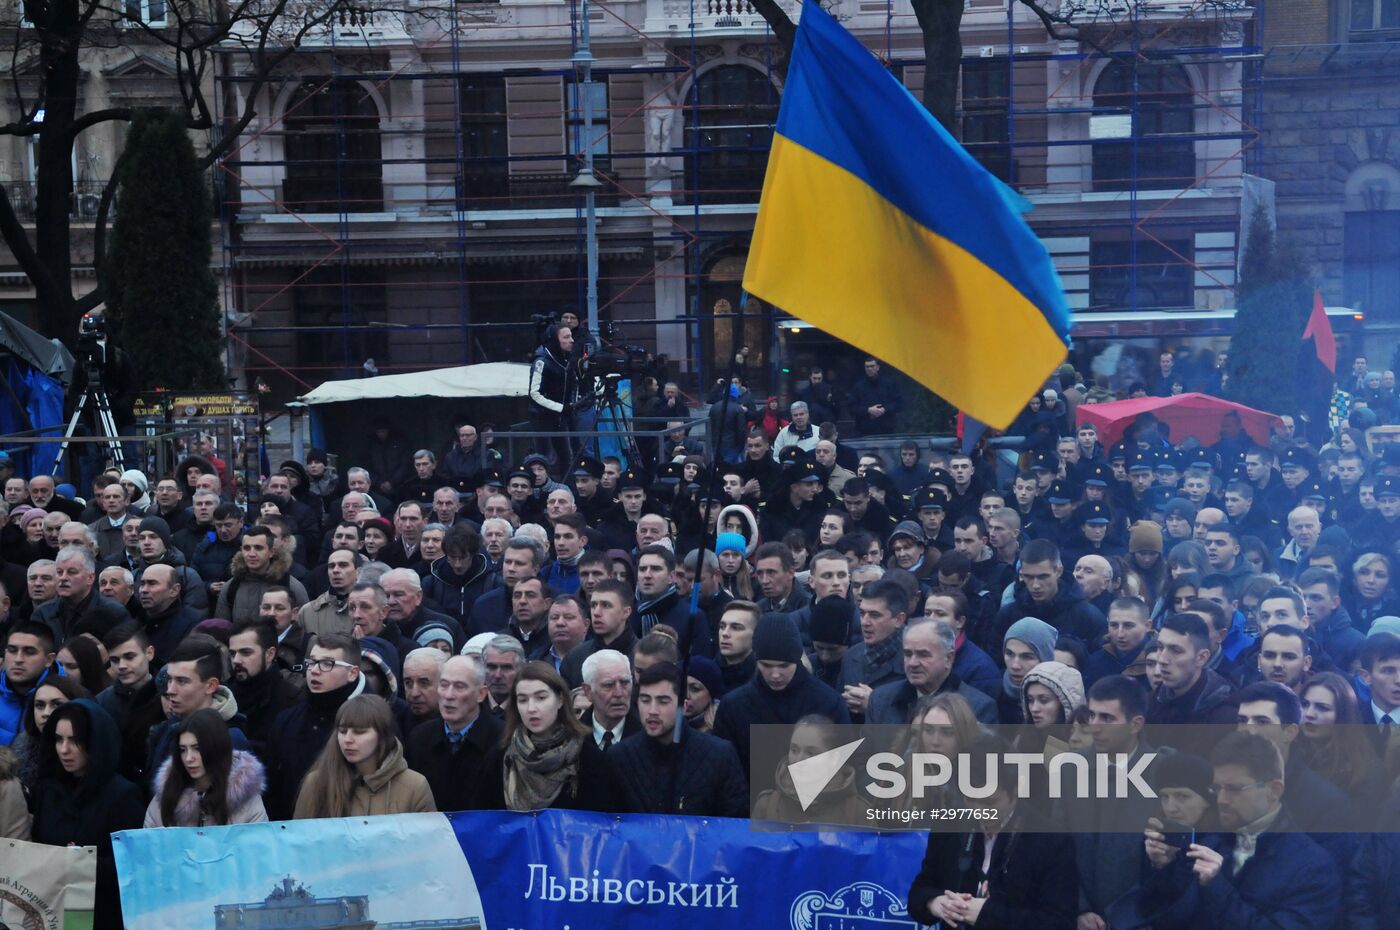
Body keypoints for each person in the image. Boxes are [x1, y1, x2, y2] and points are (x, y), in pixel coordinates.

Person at [1136, 731, 1338, 930]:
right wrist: (1164, 868)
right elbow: (1168, 918)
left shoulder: (1312, 867)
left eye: (1234, 789)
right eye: (1217, 789)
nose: (1221, 800)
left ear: (1274, 790)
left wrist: (1216, 887)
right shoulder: (1210, 842)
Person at [907, 753, 1078, 929]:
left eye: (990, 802)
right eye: (970, 799)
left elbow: (1060, 923)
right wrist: (936, 903)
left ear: (1017, 788)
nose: (979, 811)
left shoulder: (1051, 840)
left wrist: (989, 914)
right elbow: (919, 892)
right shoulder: (949, 824)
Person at [29, 700, 145, 930]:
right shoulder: (48, 790)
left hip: (101, 914)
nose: (64, 750)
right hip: (51, 911)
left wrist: (85, 862)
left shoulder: (122, 795)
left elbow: (132, 865)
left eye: (75, 741)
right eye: (58, 739)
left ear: (95, 743)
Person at [476, 661, 624, 812]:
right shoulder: (499, 759)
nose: (531, 708)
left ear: (560, 700)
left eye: (541, 698)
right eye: (523, 700)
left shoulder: (591, 760)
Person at [711, 614, 849, 776]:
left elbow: (844, 763)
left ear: (797, 659)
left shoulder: (829, 702)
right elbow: (724, 769)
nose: (775, 675)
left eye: (784, 666)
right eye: (766, 665)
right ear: (756, 660)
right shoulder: (733, 706)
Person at [609, 662, 748, 817]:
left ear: (684, 705)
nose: (652, 711)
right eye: (645, 700)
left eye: (663, 701)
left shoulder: (719, 756)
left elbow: (735, 820)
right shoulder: (620, 757)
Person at [267, 633, 367, 819]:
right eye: (312, 662)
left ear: (352, 673)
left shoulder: (370, 722)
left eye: (327, 664)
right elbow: (273, 788)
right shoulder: (286, 721)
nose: (314, 670)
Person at [295, 694, 436, 818]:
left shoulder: (415, 786)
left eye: (359, 732)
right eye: (342, 731)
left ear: (382, 735)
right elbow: (300, 837)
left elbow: (427, 839)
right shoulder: (316, 783)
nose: (347, 739)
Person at [406, 654, 502, 812]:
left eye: (459, 686)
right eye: (444, 685)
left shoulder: (501, 740)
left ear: (481, 694)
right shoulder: (419, 738)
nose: (449, 695)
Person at [144, 707, 268, 826]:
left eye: (197, 748)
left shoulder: (246, 800)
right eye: (183, 749)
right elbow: (150, 839)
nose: (188, 758)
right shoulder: (166, 794)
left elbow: (258, 840)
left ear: (217, 748)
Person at [866, 618, 998, 725]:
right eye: (908, 654)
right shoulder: (880, 700)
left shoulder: (978, 708)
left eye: (923, 654)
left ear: (949, 658)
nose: (913, 663)